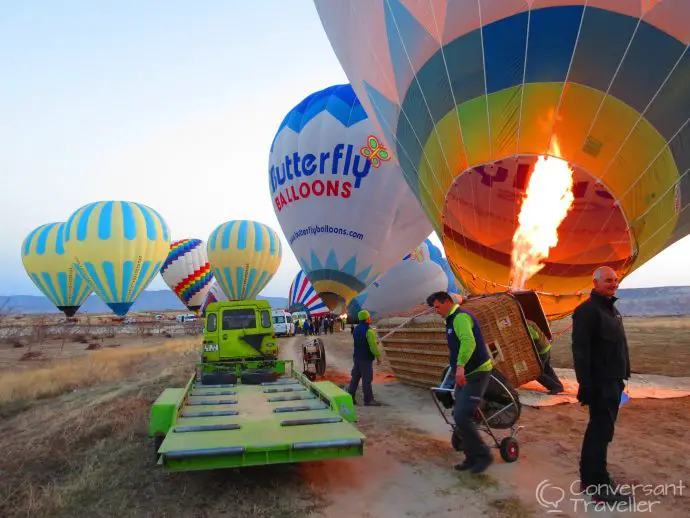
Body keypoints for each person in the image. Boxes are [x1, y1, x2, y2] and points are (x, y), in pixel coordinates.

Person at [571, 266, 631, 504]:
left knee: (598, 431)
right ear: (595, 283)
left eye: (615, 280)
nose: (613, 284)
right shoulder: (587, 311)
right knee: (601, 433)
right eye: (608, 280)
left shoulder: (611, 310)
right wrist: (585, 385)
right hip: (601, 383)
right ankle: (600, 487)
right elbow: (581, 351)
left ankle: (588, 480)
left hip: (614, 380)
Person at [427, 291, 494, 474]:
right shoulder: (450, 320)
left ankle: (483, 455)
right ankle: (471, 457)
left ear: (448, 302)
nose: (436, 311)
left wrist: (460, 367)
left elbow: (468, 342)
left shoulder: (461, 317)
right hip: (466, 374)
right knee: (459, 414)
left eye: (437, 307)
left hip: (477, 373)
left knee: (462, 415)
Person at [346, 309, 382, 406]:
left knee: (355, 378)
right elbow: (372, 346)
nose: (370, 318)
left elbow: (361, 342)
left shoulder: (356, 329)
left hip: (357, 357)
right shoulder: (369, 331)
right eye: (369, 317)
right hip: (365, 358)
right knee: (367, 380)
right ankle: (368, 400)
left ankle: (350, 397)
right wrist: (378, 356)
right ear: (366, 319)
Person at [526, 319, 564, 394]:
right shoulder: (529, 322)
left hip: (541, 350)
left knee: (535, 372)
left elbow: (535, 337)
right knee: (547, 368)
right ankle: (558, 385)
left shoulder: (527, 325)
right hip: (546, 347)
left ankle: (555, 386)